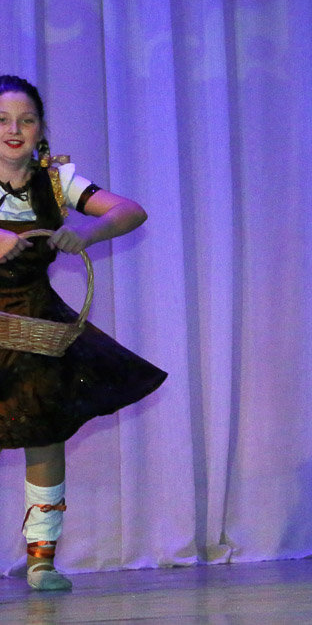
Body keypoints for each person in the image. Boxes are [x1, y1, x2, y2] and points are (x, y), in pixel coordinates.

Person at [0, 75, 165, 589]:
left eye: (26, 120)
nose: (14, 130)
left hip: (34, 323)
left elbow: (130, 210)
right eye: (2, 120)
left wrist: (86, 232)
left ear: (41, 128)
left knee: (44, 435)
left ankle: (41, 560)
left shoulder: (55, 181)